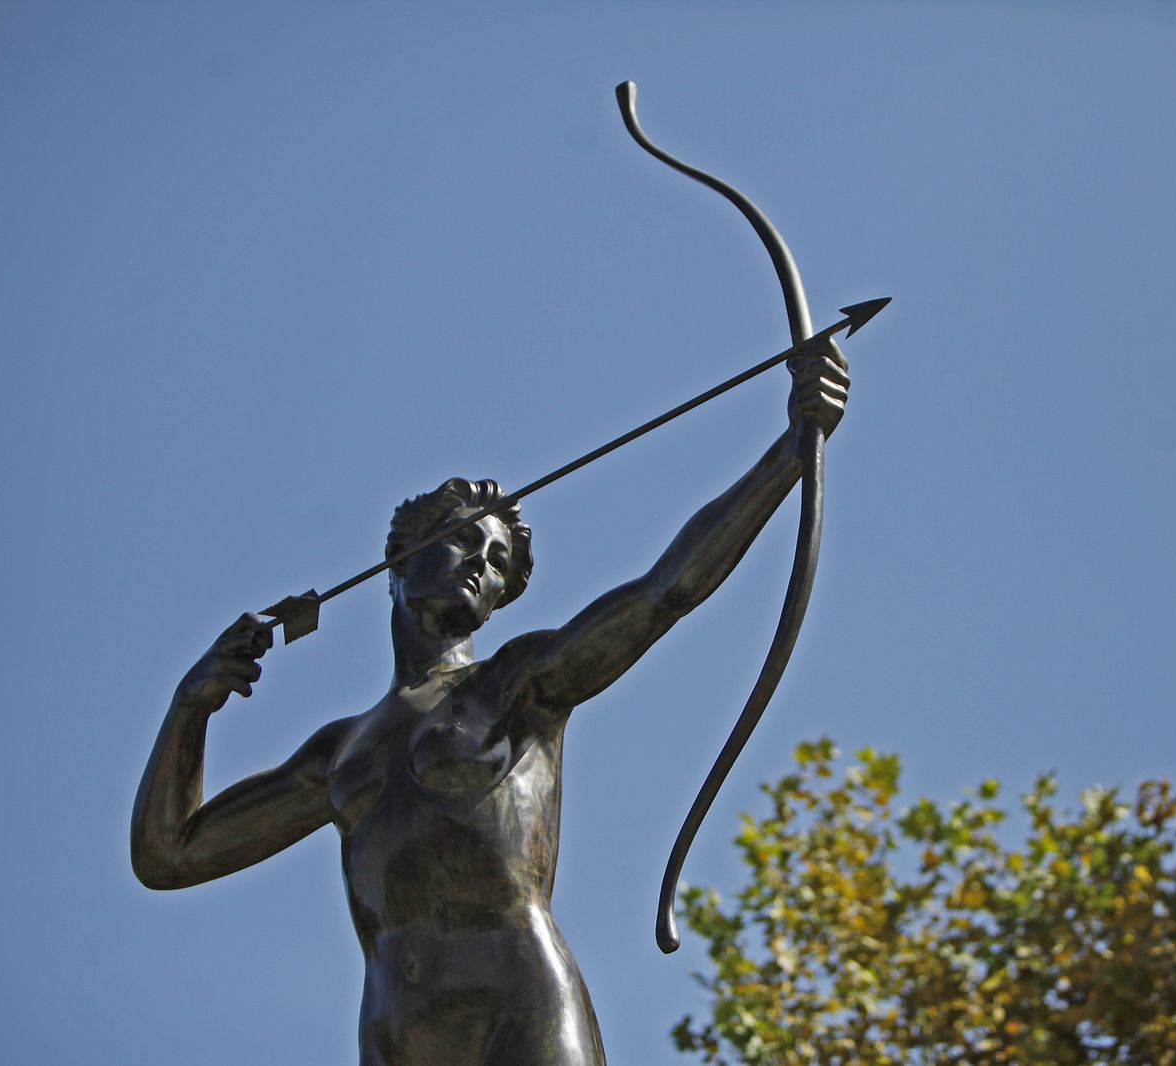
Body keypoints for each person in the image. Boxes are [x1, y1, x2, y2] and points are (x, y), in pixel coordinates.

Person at [131, 345, 849, 1066]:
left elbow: (664, 593)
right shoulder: (336, 753)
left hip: (520, 1008)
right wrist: (188, 709)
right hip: (397, 1030)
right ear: (399, 561)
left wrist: (791, 452)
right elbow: (169, 856)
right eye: (465, 541)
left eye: (499, 562)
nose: (482, 562)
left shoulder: (519, 683)